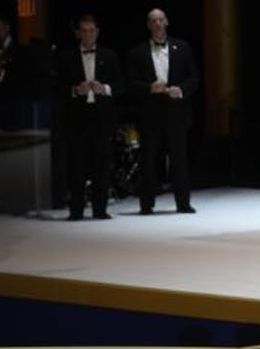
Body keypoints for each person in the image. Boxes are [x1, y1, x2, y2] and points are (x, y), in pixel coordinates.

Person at [127, 8, 199, 215]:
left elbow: (194, 77)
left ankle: (183, 203)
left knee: (179, 159)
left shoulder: (182, 48)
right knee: (148, 159)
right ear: (149, 25)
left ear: (166, 22)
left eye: (161, 20)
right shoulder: (137, 52)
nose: (158, 24)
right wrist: (149, 87)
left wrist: (181, 90)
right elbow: (130, 83)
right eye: (153, 21)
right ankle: (146, 204)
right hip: (150, 114)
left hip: (176, 112)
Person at [56, 14, 123, 220]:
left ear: (97, 32)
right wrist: (76, 90)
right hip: (77, 119)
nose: (88, 34)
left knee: (101, 165)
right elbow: (56, 87)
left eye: (91, 30)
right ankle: (76, 210)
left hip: (102, 118)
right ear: (78, 33)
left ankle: (100, 209)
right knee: (76, 165)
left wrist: (105, 88)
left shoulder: (109, 55)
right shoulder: (66, 56)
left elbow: (121, 85)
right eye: (84, 30)